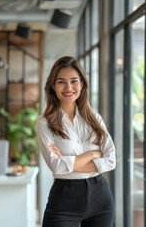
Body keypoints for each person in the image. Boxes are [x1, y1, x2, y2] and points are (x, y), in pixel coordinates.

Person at [36, 56, 116, 227]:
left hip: (100, 198)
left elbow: (111, 160)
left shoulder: (95, 119)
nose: (68, 87)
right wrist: (94, 154)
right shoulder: (44, 123)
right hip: (64, 200)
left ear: (82, 84)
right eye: (61, 82)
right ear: (53, 86)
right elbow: (56, 166)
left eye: (74, 81)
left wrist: (68, 162)